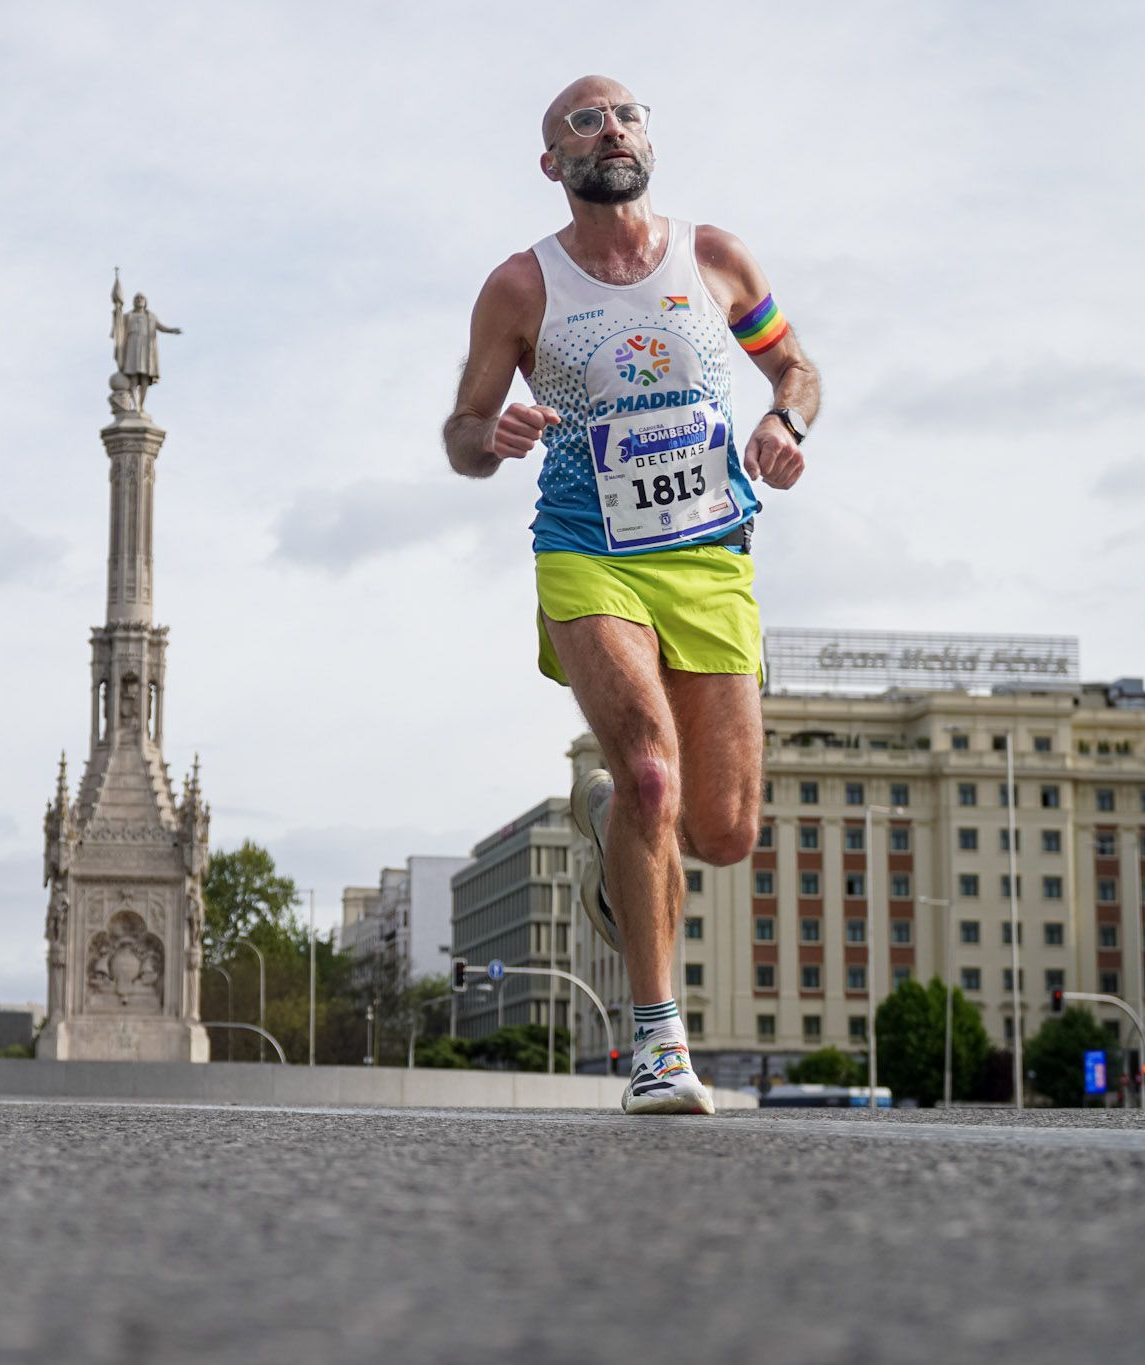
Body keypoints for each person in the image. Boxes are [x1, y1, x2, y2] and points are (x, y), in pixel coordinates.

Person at [444, 76, 820, 1115]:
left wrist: (785, 424)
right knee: (653, 777)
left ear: (646, 138)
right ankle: (658, 1052)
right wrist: (493, 435)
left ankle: (612, 824)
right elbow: (462, 432)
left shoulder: (713, 260)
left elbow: (794, 366)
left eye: (624, 115)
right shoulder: (521, 288)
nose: (608, 129)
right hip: (586, 552)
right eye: (582, 120)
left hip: (709, 555)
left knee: (725, 830)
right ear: (551, 162)